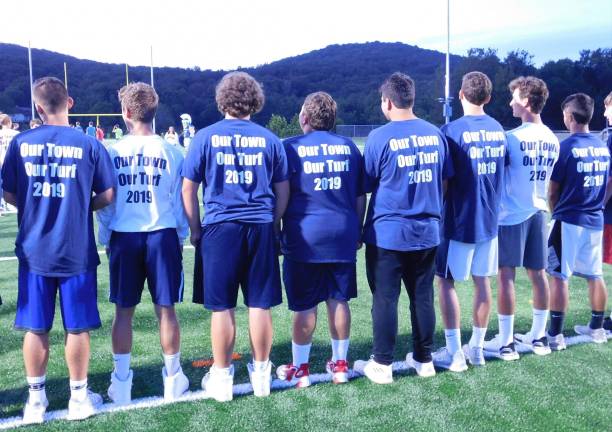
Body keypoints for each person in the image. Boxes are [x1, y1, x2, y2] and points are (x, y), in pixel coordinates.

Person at [0, 76, 115, 423]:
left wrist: (35, 207)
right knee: (76, 327)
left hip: (34, 249)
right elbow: (108, 195)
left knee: (37, 327)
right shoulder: (89, 144)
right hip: (75, 248)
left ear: (37, 107)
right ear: (71, 102)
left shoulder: (20, 142)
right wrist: (80, 205)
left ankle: (35, 401)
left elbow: (7, 193)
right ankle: (78, 398)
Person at [182, 72, 289, 401]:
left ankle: (223, 378)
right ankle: (261, 376)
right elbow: (283, 189)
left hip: (219, 228)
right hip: (259, 226)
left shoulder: (205, 137)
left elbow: (188, 188)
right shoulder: (270, 139)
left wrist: (195, 228)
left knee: (223, 308)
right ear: (255, 100)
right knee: (259, 304)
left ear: (223, 99)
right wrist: (273, 222)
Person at [354, 72, 452, 384]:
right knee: (422, 297)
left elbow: (366, 184)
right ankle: (425, 359)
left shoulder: (380, 137)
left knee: (385, 299)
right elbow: (445, 180)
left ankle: (382, 364)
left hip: (388, 233)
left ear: (387, 101)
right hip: (426, 230)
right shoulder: (435, 133)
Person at [97, 82, 190, 405]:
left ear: (125, 113)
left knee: (124, 312)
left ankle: (121, 384)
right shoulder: (172, 151)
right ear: (154, 111)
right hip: (161, 234)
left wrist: (107, 236)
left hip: (124, 235)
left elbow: (106, 204)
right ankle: (172, 377)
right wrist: (180, 236)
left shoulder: (112, 151)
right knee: (166, 310)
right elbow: (179, 202)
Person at [275, 92, 366, 387]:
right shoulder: (349, 147)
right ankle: (340, 364)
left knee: (304, 305)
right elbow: (358, 196)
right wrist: (358, 229)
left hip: (304, 236)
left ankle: (300, 369)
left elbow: (280, 194)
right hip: (341, 233)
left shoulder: (290, 147)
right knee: (338, 300)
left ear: (304, 117)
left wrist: (275, 229)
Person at [433, 71, 506, 371]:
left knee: (446, 282)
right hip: (490, 219)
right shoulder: (499, 128)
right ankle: (476, 346)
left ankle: (454, 351)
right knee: (483, 282)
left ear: (461, 95)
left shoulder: (451, 130)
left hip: (459, 219)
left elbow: (445, 181)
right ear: (488, 98)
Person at [483, 76, 559, 359]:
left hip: (512, 213)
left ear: (526, 101)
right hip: (539, 212)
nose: (510, 101)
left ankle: (506, 342)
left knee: (506, 277)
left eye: (514, 96)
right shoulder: (552, 138)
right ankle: (539, 338)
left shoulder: (512, 138)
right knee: (539, 275)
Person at [546, 93, 610, 348]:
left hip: (569, 218)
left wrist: (556, 212)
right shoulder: (602, 147)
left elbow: (553, 191)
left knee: (559, 276)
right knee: (596, 274)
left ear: (570, 117)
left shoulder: (567, 147)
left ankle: (555, 334)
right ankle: (596, 328)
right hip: (595, 218)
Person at [0, 114, 19, 215]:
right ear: (9, 122)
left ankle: (1, 205)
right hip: (12, 161)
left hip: (1, 160)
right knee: (14, 184)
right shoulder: (16, 134)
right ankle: (12, 204)